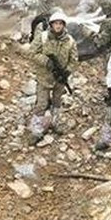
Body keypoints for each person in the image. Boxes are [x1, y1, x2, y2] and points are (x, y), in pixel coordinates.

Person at [29, 10, 78, 144]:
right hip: (44, 77)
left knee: (57, 103)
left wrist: (68, 71)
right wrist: (46, 62)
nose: (58, 26)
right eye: (55, 23)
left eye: (60, 23)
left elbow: (74, 60)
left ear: (64, 25)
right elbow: (31, 53)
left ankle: (55, 123)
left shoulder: (70, 41)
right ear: (51, 24)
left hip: (60, 79)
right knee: (41, 104)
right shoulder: (43, 37)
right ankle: (36, 131)